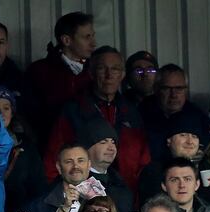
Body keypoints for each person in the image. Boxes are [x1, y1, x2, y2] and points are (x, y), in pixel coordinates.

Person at [45, 46, 150, 191]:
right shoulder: (73, 110)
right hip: (83, 197)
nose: (109, 75)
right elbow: (54, 159)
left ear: (123, 74)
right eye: (102, 68)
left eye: (115, 69)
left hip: (126, 195)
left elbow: (144, 161)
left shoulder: (131, 112)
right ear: (91, 73)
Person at [24, 144, 90, 212]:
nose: (76, 166)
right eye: (69, 162)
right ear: (59, 168)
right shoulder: (38, 207)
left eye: (80, 160)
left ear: (89, 165)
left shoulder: (105, 201)